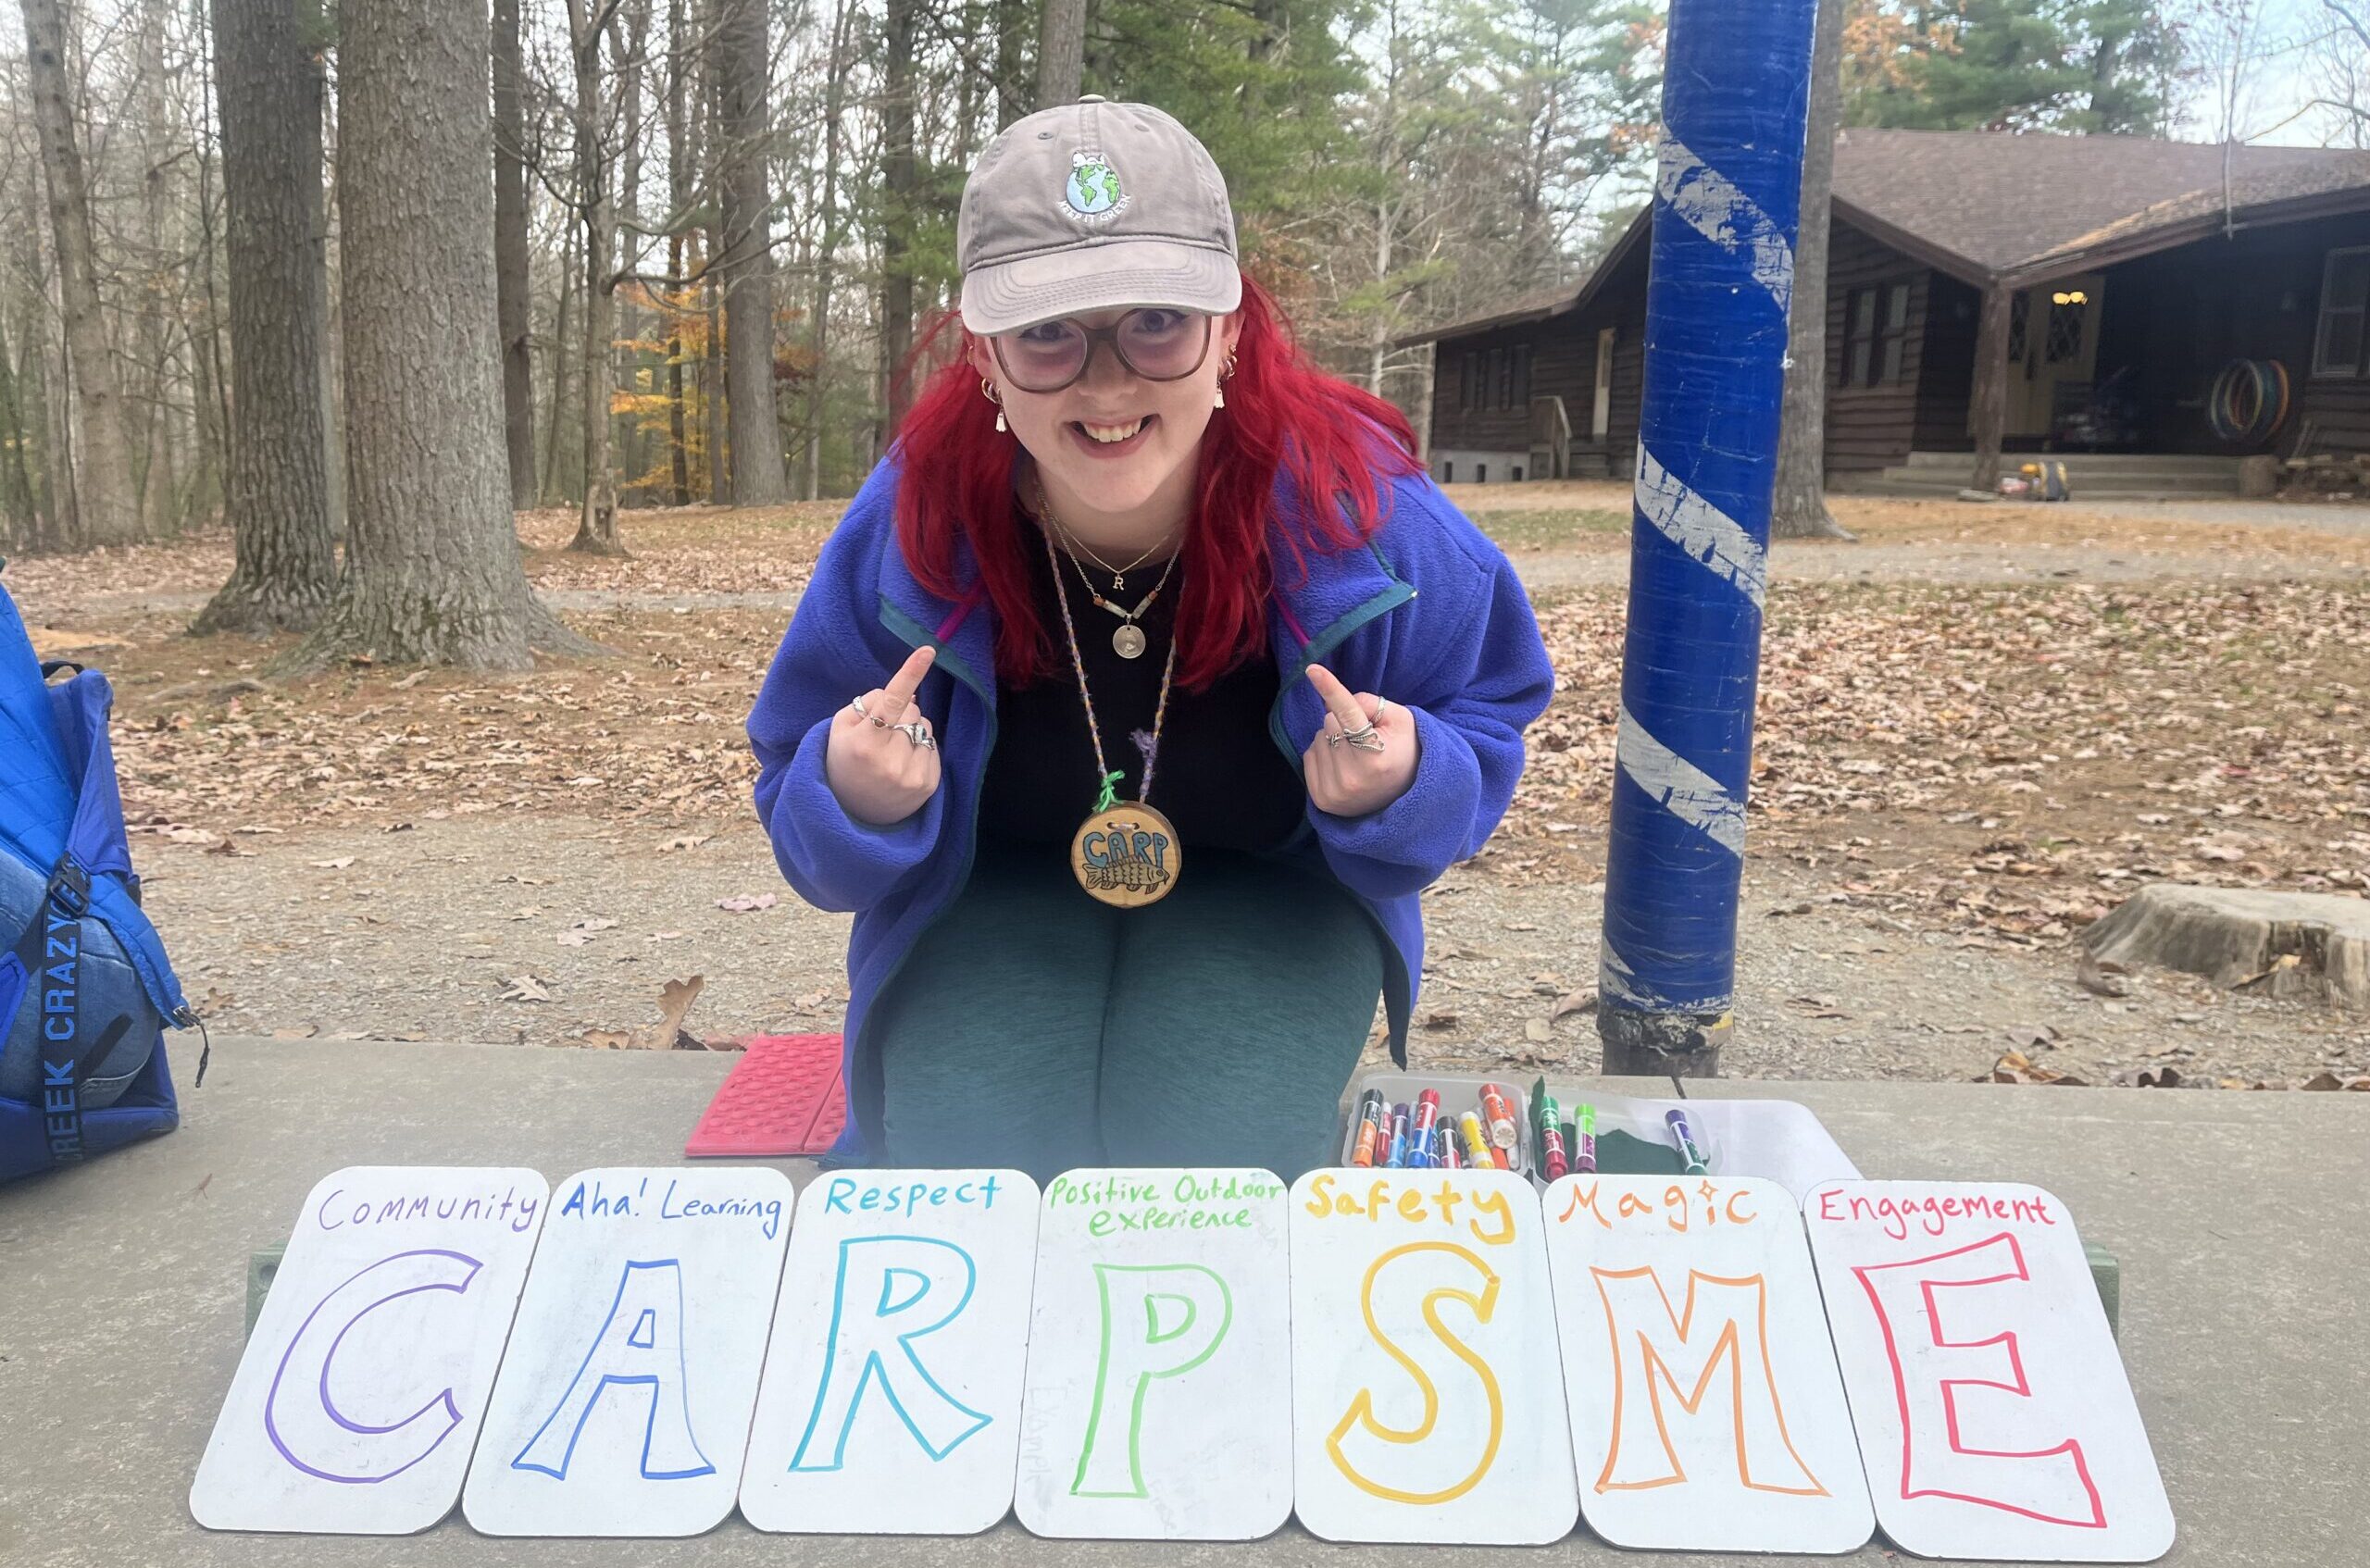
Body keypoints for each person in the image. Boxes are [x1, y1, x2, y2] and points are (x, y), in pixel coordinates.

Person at [748, 97, 1553, 1180]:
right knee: (961, 1159)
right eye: (1047, 334)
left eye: (1157, 322)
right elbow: (795, 783)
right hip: (992, 880)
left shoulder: (1363, 509)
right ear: (983, 356)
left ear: (1228, 330)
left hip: (1273, 885)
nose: (1108, 379)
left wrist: (1410, 776)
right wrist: (851, 790)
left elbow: (1490, 705)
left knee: (1207, 1161)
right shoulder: (912, 521)